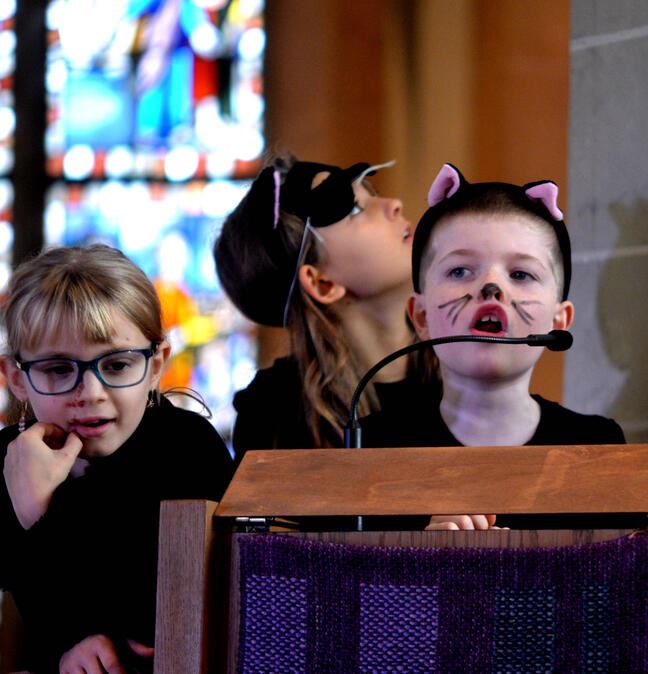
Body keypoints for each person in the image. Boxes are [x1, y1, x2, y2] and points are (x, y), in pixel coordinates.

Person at [0, 245, 234, 673]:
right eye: (57, 370)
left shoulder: (187, 450)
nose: (89, 393)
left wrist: (41, 511)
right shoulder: (5, 461)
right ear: (17, 378)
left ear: (157, 364)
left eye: (118, 365)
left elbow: (149, 623)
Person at [360, 164, 624, 529]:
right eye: (459, 271)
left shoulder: (595, 447)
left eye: (520, 274)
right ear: (420, 317)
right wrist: (415, 555)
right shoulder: (372, 447)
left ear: (558, 320)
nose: (490, 287)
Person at [214, 155, 437, 457]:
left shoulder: (468, 367)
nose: (393, 204)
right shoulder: (275, 414)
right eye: (356, 209)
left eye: (371, 194)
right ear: (322, 283)